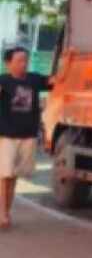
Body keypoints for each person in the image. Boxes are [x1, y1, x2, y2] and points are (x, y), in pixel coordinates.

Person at [0, 47, 51, 231]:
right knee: (4, 176)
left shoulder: (34, 79)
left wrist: (68, 61)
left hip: (28, 136)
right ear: (8, 63)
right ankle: (2, 214)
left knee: (13, 177)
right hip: (6, 136)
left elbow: (55, 80)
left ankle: (6, 211)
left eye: (25, 60)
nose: (24, 63)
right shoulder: (3, 81)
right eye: (20, 60)